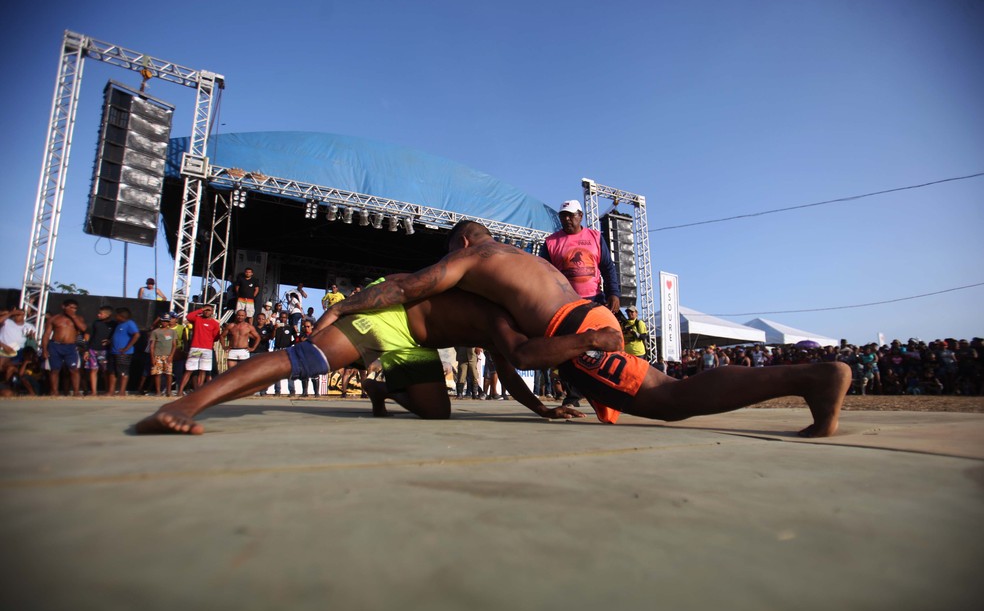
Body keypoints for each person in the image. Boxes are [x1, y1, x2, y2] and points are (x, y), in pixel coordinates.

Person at [317, 220, 851, 436]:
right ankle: (811, 380)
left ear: (461, 243)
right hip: (582, 317)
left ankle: (811, 378)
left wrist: (343, 308)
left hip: (576, 332)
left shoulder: (472, 257)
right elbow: (502, 353)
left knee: (671, 399)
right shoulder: (527, 260)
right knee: (667, 396)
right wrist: (541, 406)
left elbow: (408, 288)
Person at [136, 285, 617, 434]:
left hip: (417, 346)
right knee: (303, 360)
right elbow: (524, 356)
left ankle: (381, 388)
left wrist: (540, 408)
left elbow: (511, 367)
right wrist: (340, 309)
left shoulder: (504, 319)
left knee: (436, 412)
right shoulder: (469, 283)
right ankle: (185, 405)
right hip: (388, 317)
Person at [539, 199, 621, 407]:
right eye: (563, 216)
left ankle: (604, 394)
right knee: (567, 350)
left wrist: (614, 293)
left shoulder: (594, 237)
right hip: (566, 304)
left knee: (600, 347)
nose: (566, 219)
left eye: (570, 215)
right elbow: (542, 274)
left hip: (594, 300)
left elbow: (608, 268)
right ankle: (573, 395)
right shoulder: (551, 243)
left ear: (580, 216)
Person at [41, 299, 87, 396]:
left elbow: (83, 329)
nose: (73, 310)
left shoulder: (78, 318)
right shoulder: (54, 319)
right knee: (54, 370)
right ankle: (54, 391)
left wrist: (73, 316)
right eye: (70, 307)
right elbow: (46, 335)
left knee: (74, 369)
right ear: (63, 307)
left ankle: (76, 392)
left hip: (70, 346)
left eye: (75, 308)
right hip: (55, 346)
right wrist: (44, 349)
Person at [177, 306, 222, 394]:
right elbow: (189, 316)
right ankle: (180, 391)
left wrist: (207, 340)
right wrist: (201, 310)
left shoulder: (215, 323)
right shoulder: (197, 319)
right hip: (195, 348)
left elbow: (216, 337)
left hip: (207, 349)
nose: (206, 312)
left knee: (203, 370)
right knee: (189, 370)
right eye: (205, 310)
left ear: (212, 312)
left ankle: (198, 391)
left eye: (209, 310)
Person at [107, 307, 140, 396]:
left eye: (116, 315)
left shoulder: (130, 323)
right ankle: (111, 391)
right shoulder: (119, 324)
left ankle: (122, 391)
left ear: (121, 316)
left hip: (124, 353)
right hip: (114, 351)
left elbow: (136, 335)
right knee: (112, 371)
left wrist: (126, 348)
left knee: (123, 372)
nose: (115, 317)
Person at [84, 305, 115, 395]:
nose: (98, 315)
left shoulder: (114, 324)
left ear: (107, 315)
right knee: (93, 370)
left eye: (100, 314)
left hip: (105, 350)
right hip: (93, 349)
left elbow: (117, 336)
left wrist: (110, 341)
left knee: (105, 371)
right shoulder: (96, 323)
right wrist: (87, 350)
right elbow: (90, 336)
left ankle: (107, 390)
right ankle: (93, 392)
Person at [148, 314, 177, 396]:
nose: (165, 323)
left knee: (168, 374)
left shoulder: (172, 332)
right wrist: (152, 357)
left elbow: (174, 345)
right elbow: (152, 345)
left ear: (169, 322)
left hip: (168, 355)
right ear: (161, 321)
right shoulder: (156, 332)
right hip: (157, 355)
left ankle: (168, 391)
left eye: (167, 321)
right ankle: (158, 391)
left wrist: (171, 356)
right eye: (163, 321)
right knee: (158, 374)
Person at [272, 311, 299, 396]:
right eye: (281, 317)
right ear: (279, 318)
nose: (283, 319)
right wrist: (274, 329)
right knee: (277, 371)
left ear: (287, 318)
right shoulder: (276, 327)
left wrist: (291, 344)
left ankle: (292, 391)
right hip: (277, 350)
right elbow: (272, 337)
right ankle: (277, 391)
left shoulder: (290, 327)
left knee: (289, 370)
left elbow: (296, 338)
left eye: (284, 317)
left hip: (287, 350)